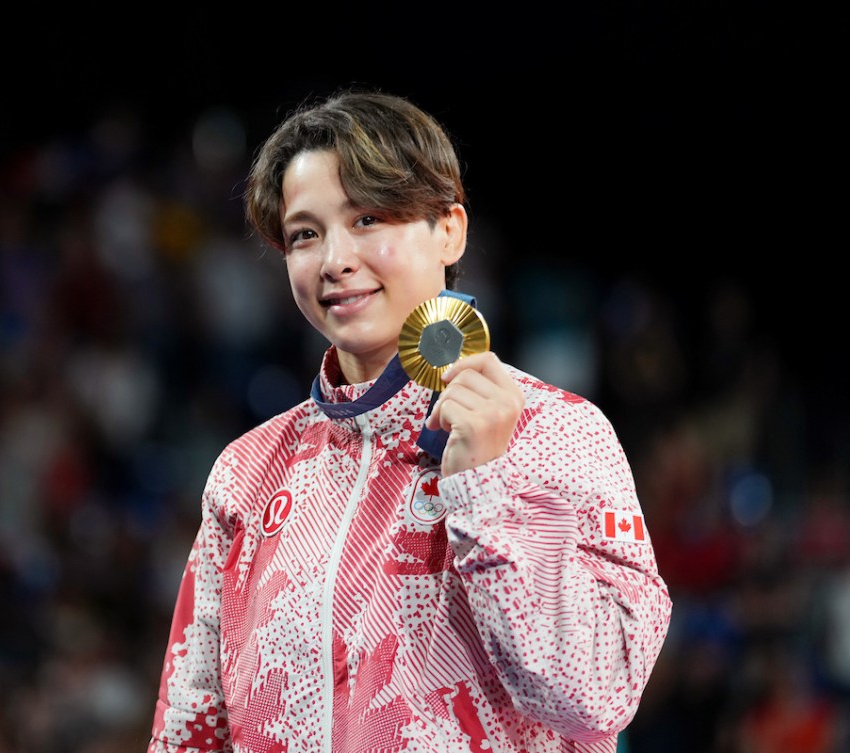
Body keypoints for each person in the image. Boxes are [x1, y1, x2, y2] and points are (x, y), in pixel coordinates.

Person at [147, 88, 673, 753]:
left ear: (449, 229)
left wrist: (484, 487)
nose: (334, 259)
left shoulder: (557, 431)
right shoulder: (247, 473)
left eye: (367, 219)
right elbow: (189, 730)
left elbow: (597, 696)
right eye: (305, 233)